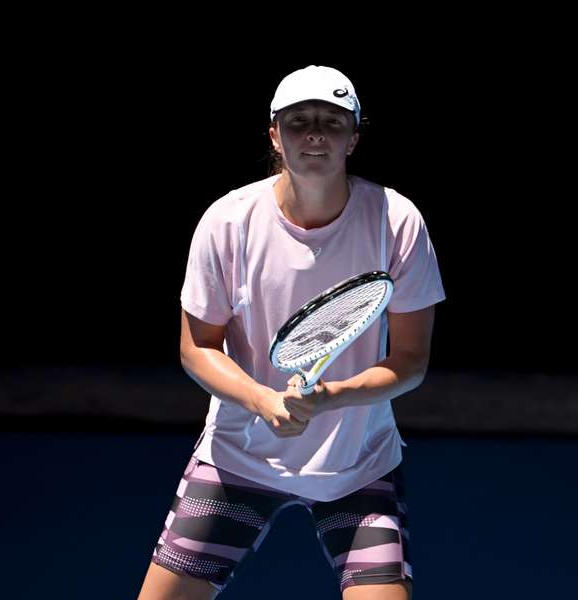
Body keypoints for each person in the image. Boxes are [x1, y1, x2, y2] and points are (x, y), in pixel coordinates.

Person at [137, 65, 445, 600]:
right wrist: (260, 399)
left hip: (357, 467)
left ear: (354, 137)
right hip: (237, 459)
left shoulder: (396, 220)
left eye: (331, 121)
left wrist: (332, 398)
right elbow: (197, 347)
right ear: (275, 136)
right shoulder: (227, 221)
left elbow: (411, 360)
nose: (315, 134)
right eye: (299, 121)